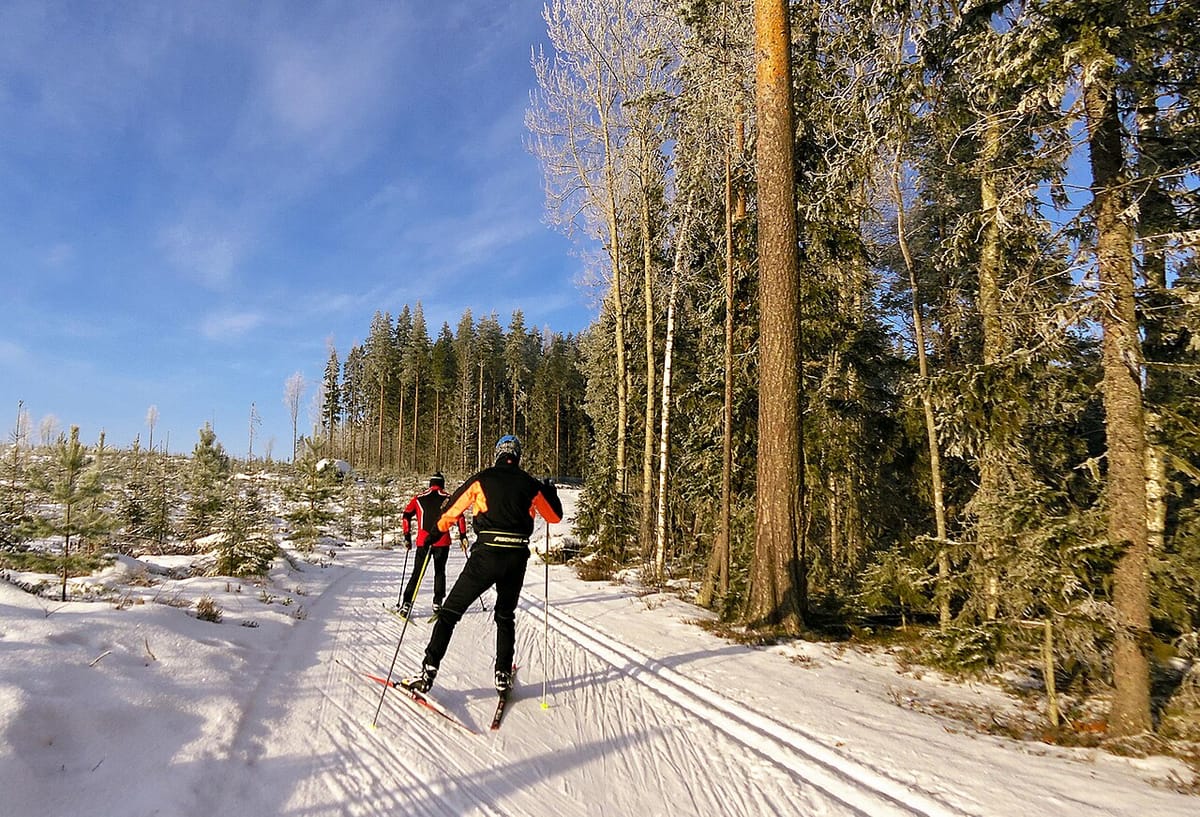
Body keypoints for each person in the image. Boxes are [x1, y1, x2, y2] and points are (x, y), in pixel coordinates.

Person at [401, 435, 562, 694]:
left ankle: (428, 670)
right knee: (505, 615)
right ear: (517, 455)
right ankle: (502, 673)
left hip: (486, 555)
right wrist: (550, 491)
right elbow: (554, 517)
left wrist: (433, 535)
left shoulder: (482, 479)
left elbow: (452, 510)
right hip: (515, 557)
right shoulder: (530, 484)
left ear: (497, 453)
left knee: (450, 613)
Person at [396, 472, 467, 619]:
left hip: (424, 541)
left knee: (417, 573)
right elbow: (460, 517)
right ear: (442, 484)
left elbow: (406, 516)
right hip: (442, 541)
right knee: (439, 571)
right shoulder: (449, 499)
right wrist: (463, 536)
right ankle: (437, 602)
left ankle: (406, 604)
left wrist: (407, 537)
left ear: (430, 484)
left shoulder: (418, 498)